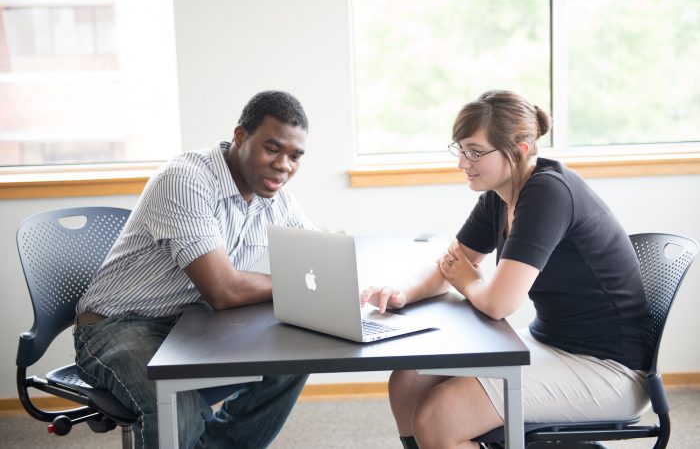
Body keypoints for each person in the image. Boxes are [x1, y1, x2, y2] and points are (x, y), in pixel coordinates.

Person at [361, 90, 654, 449]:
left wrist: (468, 282)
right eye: (460, 149)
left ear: (520, 150)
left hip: (608, 369)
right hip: (552, 342)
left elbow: (498, 303)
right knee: (408, 380)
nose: (463, 163)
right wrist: (402, 292)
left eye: (475, 151)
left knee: (438, 416)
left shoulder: (548, 194)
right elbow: (450, 264)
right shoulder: (499, 195)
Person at [74, 90, 313, 448]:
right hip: (117, 326)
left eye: (295, 156)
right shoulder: (186, 179)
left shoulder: (275, 198)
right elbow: (224, 290)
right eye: (272, 149)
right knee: (174, 412)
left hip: (193, 324)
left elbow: (316, 260)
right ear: (240, 136)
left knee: (293, 358)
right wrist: (298, 284)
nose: (284, 165)